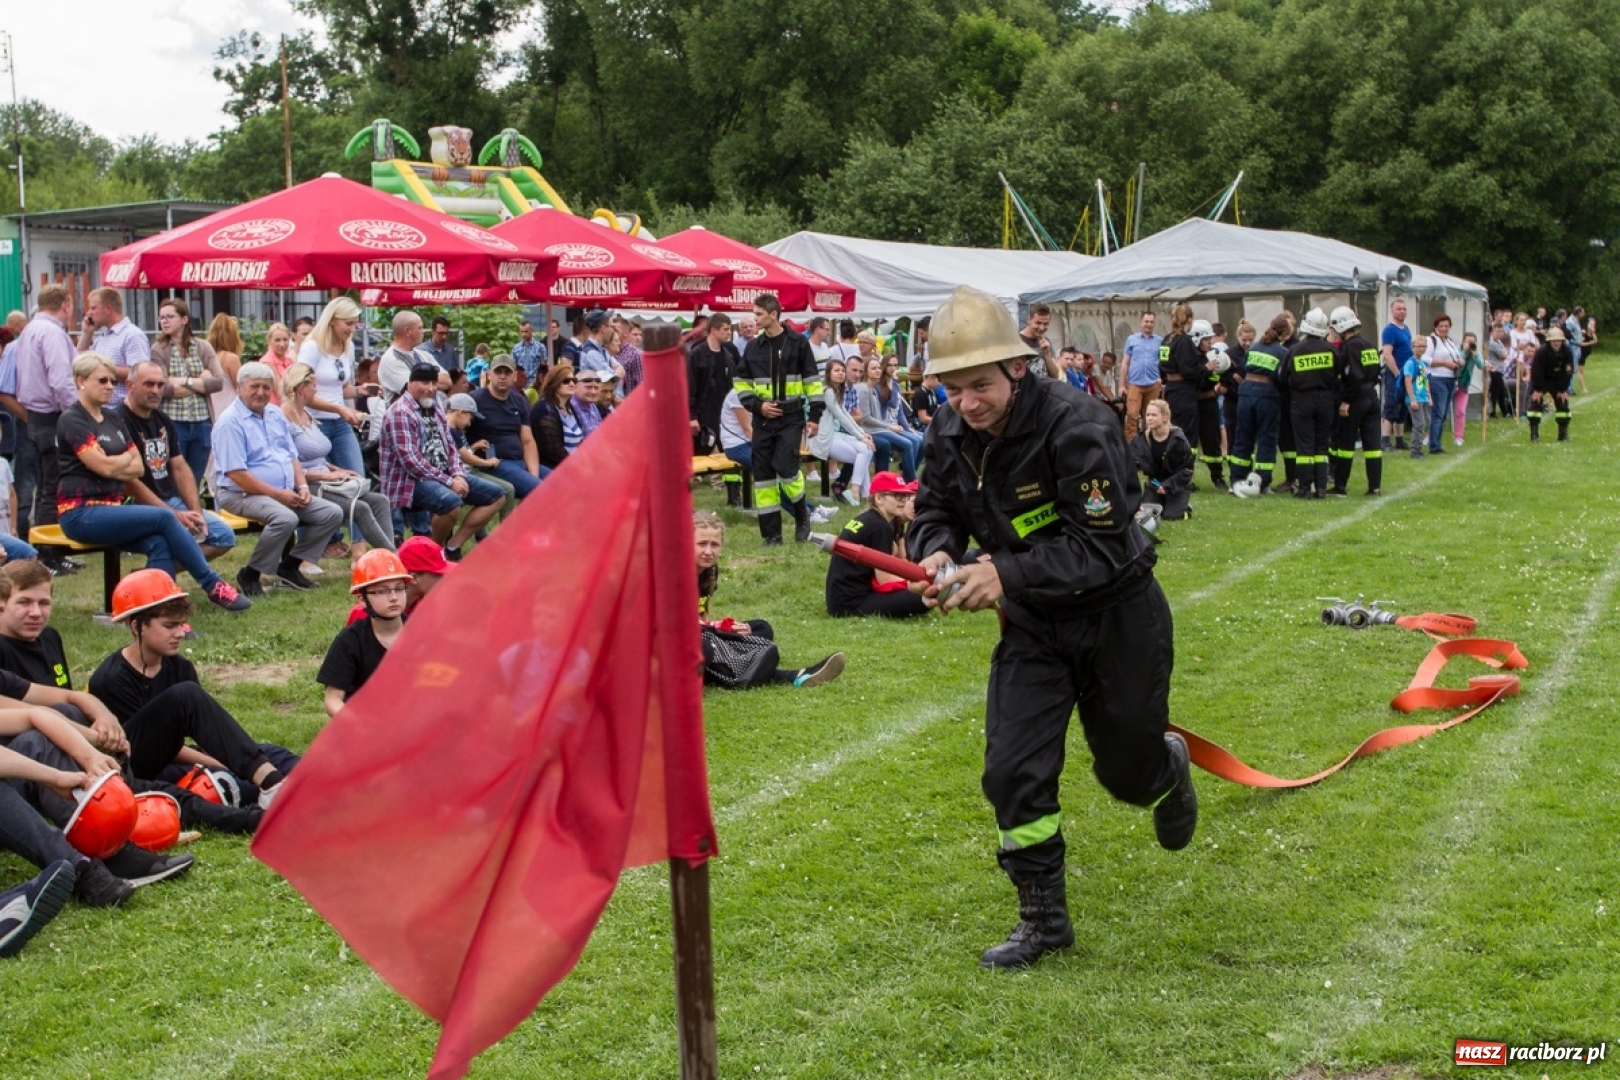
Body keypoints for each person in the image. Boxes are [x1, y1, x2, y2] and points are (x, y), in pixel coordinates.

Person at [906, 285, 1194, 971]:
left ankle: (1166, 768)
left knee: (1125, 777)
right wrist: (936, 548)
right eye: (952, 390)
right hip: (1035, 628)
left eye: (979, 385)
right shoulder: (950, 431)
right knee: (1011, 769)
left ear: (1016, 367)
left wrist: (1003, 573)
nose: (967, 404)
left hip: (1117, 616)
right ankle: (1042, 918)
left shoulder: (1079, 425)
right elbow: (933, 508)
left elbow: (1099, 547)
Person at [56, 354, 251, 611]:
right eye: (102, 380)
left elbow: (137, 466)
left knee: (160, 541)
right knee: (165, 518)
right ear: (81, 381)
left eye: (112, 381)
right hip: (80, 513)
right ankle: (212, 584)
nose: (109, 386)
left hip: (112, 509)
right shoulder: (73, 419)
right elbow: (101, 467)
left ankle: (159, 610)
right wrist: (118, 464)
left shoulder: (112, 419)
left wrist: (114, 463)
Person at [88, 569, 294, 808]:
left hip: (181, 754)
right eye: (169, 626)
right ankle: (272, 784)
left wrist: (231, 756)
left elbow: (205, 730)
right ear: (137, 626)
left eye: (181, 624)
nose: (180, 634)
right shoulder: (110, 679)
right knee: (234, 775)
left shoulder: (180, 667)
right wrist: (222, 763)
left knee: (273, 753)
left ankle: (322, 782)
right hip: (139, 768)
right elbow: (158, 749)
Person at [213, 362, 344, 595]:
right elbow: (237, 474)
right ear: (239, 386)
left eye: (266, 387)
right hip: (240, 493)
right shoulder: (230, 422)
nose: (261, 392)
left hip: (284, 491)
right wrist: (278, 494)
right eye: (254, 386)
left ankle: (289, 567)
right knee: (285, 518)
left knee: (331, 513)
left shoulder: (275, 414)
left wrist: (302, 486)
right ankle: (251, 573)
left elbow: (291, 456)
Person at [694, 512, 844, 689]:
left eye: (715, 545)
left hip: (700, 632)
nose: (709, 551)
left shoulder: (710, 570)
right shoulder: (671, 571)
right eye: (702, 544)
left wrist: (727, 629)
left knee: (761, 628)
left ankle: (789, 675)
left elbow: (701, 613)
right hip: (676, 643)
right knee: (704, 647)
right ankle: (793, 676)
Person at [379, 364, 506, 561]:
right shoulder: (400, 412)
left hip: (442, 475)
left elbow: (450, 446)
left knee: (498, 494)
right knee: (450, 502)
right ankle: (433, 555)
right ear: (410, 384)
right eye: (424, 383)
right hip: (409, 482)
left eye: (433, 383)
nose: (430, 388)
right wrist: (449, 482)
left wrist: (458, 474)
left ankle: (453, 547)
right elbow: (411, 462)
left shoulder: (435, 403)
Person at [115, 361, 238, 563]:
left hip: (169, 500)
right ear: (130, 386)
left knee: (223, 536)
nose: (156, 391)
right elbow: (128, 483)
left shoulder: (163, 419)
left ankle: (151, 576)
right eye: (149, 384)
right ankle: (155, 581)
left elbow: (180, 467)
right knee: (165, 539)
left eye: (160, 385)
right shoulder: (117, 421)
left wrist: (195, 513)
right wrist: (173, 515)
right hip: (135, 505)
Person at [280, 363, 395, 557]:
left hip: (326, 479)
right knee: (359, 507)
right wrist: (330, 476)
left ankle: (387, 556)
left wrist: (337, 470)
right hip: (305, 484)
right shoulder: (283, 419)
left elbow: (316, 456)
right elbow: (288, 466)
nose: (317, 390)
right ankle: (394, 557)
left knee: (379, 500)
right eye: (314, 386)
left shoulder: (306, 414)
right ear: (302, 388)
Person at [735, 294, 821, 546]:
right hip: (762, 420)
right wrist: (758, 406)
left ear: (774, 315)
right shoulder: (753, 346)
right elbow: (741, 382)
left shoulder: (798, 343)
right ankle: (771, 535)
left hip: (791, 417)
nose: (755, 319)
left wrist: (814, 416)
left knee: (786, 468)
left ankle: (802, 514)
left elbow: (812, 382)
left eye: (759, 314)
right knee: (763, 478)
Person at [14, 284, 78, 535]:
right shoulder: (51, 333)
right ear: (65, 305)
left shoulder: (29, 329)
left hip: (35, 415)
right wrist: (76, 415)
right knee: (54, 483)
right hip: (53, 415)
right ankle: (50, 550)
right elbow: (61, 380)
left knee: (45, 482)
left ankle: (46, 547)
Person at [146, 298, 228, 487]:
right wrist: (199, 381)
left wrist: (182, 381)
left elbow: (218, 383)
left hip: (202, 422)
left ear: (184, 319)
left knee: (195, 478)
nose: (164, 321)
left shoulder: (202, 347)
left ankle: (192, 513)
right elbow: (163, 388)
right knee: (174, 479)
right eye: (161, 318)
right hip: (173, 422)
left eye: (169, 317)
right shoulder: (158, 349)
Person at [319, 550, 412, 717]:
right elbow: (332, 700)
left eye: (399, 589)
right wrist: (360, 726)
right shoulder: (349, 641)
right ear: (362, 599)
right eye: (382, 591)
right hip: (367, 722)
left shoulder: (422, 631)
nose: (393, 597)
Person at [824, 472, 930, 618]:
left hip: (840, 598)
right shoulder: (879, 527)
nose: (903, 501)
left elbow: (900, 560)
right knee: (922, 599)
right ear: (879, 498)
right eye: (897, 496)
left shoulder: (875, 519)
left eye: (905, 496)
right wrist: (916, 583)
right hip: (851, 604)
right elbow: (884, 580)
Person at [296, 297, 369, 478]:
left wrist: (361, 390)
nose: (352, 329)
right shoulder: (312, 348)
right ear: (332, 321)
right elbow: (301, 393)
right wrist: (338, 408)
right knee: (325, 479)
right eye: (348, 323)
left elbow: (343, 388)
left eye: (355, 324)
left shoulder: (348, 347)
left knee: (357, 477)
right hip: (315, 422)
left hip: (341, 422)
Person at [1279, 308, 1340, 499]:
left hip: (1301, 400)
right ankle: (1321, 488)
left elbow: (1283, 378)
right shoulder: (1332, 350)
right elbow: (1340, 376)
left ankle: (1305, 488)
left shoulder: (1294, 350)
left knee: (1304, 447)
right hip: (1325, 401)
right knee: (1322, 445)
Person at [1326, 307, 1383, 497]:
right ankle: (1374, 487)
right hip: (1372, 397)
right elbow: (1375, 373)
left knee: (1345, 445)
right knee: (1373, 446)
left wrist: (1346, 401)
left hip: (1356, 399)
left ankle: (1340, 486)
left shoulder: (1349, 348)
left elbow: (1352, 377)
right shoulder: (1369, 345)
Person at [469, 355, 544, 499]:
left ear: (515, 376)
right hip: (493, 463)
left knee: (560, 483)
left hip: (520, 461)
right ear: (489, 374)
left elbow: (527, 441)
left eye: (507, 372)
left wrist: (533, 475)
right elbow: (455, 430)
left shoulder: (520, 401)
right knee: (539, 489)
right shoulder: (474, 400)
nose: (502, 376)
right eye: (498, 372)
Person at [345, 534, 452, 626]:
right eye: (438, 575)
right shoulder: (364, 613)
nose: (445, 579)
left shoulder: (430, 607)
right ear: (414, 578)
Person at [812, 358, 875, 506]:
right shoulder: (827, 391)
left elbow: (846, 413)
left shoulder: (837, 390)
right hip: (825, 437)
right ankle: (857, 491)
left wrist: (862, 433)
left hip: (838, 435)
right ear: (829, 373)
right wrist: (860, 435)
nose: (840, 373)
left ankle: (865, 494)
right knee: (862, 455)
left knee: (866, 449)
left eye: (842, 370)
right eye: (836, 371)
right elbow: (841, 417)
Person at [74, 288, 147, 409]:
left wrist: (103, 368)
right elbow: (80, 361)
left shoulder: (132, 335)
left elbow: (140, 373)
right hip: (102, 409)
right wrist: (87, 333)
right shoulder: (104, 336)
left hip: (123, 410)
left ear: (107, 309)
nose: (89, 313)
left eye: (93, 308)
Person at [856, 356, 921, 482]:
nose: (877, 370)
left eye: (879, 368)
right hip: (872, 430)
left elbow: (898, 410)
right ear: (866, 371)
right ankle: (910, 480)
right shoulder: (864, 389)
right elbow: (866, 418)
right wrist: (889, 427)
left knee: (918, 439)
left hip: (880, 428)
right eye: (873, 368)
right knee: (908, 443)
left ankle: (900, 477)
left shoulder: (872, 388)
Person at [1129, 398, 1195, 522]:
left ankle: (1185, 508)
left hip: (1176, 485)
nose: (1149, 418)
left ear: (1165, 417)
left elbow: (1187, 470)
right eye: (1147, 415)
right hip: (1154, 483)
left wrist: (1168, 485)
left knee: (1171, 516)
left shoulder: (1178, 440)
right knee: (1148, 515)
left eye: (1154, 415)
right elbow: (1130, 461)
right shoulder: (1141, 439)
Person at [1158, 304, 1205, 461]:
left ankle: (1173, 465)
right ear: (1189, 319)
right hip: (1184, 392)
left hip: (1171, 390)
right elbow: (1189, 371)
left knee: (1173, 429)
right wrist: (1206, 369)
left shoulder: (1166, 340)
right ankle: (1185, 471)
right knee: (1188, 433)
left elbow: (1161, 366)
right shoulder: (1185, 341)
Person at [688, 313, 738, 455]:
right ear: (714, 331)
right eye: (726, 329)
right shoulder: (696, 355)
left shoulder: (728, 356)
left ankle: (726, 478)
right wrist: (692, 417)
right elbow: (690, 388)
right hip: (702, 413)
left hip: (723, 413)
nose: (729, 333)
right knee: (698, 454)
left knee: (726, 455)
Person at [377, 311, 449, 407]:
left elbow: (447, 381)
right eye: (420, 328)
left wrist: (422, 379)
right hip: (403, 419)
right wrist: (434, 379)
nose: (423, 332)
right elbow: (415, 390)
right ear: (407, 331)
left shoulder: (423, 355)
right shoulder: (391, 360)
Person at [1119, 311, 1162, 442]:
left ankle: (1148, 442)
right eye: (1146, 321)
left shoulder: (1160, 341)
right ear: (1141, 322)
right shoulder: (1132, 340)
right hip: (1135, 384)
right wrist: (1121, 385)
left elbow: (1164, 362)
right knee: (1132, 415)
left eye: (1151, 322)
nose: (1148, 324)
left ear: (1154, 324)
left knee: (1149, 416)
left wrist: (1161, 378)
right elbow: (1125, 362)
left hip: (1153, 384)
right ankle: (1131, 444)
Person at [1528, 326, 1574, 443]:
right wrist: (1538, 390)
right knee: (1535, 404)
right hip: (1542, 380)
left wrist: (1563, 389)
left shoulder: (1567, 352)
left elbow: (1568, 371)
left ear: (1562, 341)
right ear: (1549, 341)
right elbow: (1536, 371)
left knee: (1563, 404)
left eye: (1558, 341)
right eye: (1554, 341)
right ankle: (1534, 433)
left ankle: (1563, 434)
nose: (1556, 343)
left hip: (1558, 381)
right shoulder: (1541, 352)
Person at [1423, 314, 1462, 453]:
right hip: (1437, 378)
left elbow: (1456, 356)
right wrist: (1445, 363)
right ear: (1436, 327)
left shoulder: (1449, 341)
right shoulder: (1431, 340)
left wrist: (1458, 362)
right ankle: (1434, 446)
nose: (1444, 328)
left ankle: (1436, 443)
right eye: (1441, 326)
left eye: (1446, 326)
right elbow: (1425, 359)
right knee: (1438, 413)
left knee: (1443, 413)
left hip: (1450, 379)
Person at [529, 365, 580, 469]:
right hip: (554, 469)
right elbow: (553, 451)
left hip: (574, 464)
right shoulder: (543, 410)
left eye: (574, 380)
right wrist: (578, 466)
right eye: (566, 381)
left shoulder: (570, 408)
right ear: (554, 383)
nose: (571, 383)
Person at [1380, 299, 1414, 451]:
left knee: (1402, 407)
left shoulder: (1406, 329)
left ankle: (1399, 440)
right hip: (1395, 373)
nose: (1402, 311)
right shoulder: (1389, 330)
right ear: (1392, 311)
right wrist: (1397, 374)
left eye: (1404, 309)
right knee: (1391, 405)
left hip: (1406, 373)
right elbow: (1387, 355)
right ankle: (1385, 440)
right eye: (1399, 309)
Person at [1403, 334, 1432, 459]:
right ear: (1413, 347)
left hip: (1423, 397)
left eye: (1424, 346)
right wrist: (1413, 399)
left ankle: (1418, 448)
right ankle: (1415, 450)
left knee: (1423, 423)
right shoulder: (1410, 363)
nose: (1422, 349)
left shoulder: (1423, 363)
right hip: (1415, 399)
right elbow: (1408, 382)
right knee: (1418, 424)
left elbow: (1424, 381)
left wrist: (1429, 396)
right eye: (1419, 346)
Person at [1018, 303, 1061, 379]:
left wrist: (1047, 354)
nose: (1042, 328)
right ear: (1028, 320)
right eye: (1038, 323)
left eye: (1046, 324)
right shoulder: (1017, 341)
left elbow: (1055, 376)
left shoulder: (1045, 341)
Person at [258, 322, 296, 405]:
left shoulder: (289, 360)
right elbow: (280, 391)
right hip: (275, 408)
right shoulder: (267, 362)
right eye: (277, 340)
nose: (282, 344)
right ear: (269, 340)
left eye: (285, 339)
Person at [576, 311, 621, 379]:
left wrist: (616, 372)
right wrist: (616, 372)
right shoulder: (591, 353)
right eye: (611, 327)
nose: (613, 331)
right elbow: (613, 378)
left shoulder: (601, 349)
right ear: (603, 328)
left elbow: (622, 370)